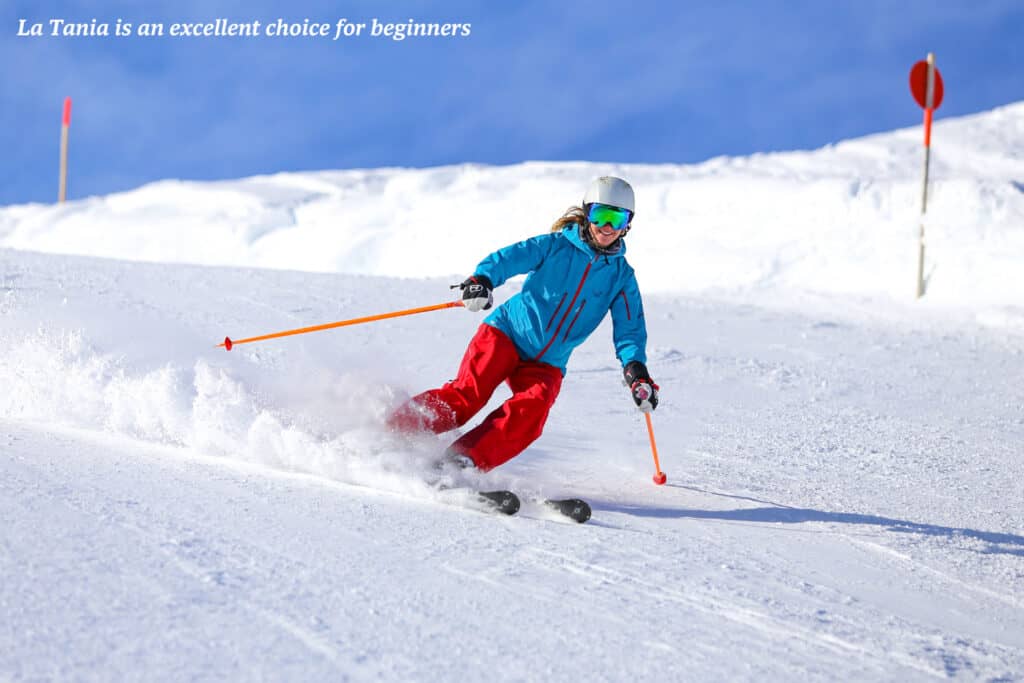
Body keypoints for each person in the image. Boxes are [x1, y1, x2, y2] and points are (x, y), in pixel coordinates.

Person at [386, 176, 659, 471]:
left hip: (548, 362)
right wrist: (482, 280)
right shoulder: (555, 246)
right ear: (586, 213)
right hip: (507, 333)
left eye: (616, 219)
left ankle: (461, 462)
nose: (607, 227)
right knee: (467, 397)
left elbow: (629, 329)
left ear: (627, 224)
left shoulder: (621, 277)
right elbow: (509, 259)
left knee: (532, 412)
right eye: (600, 215)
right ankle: (391, 430)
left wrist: (636, 370)